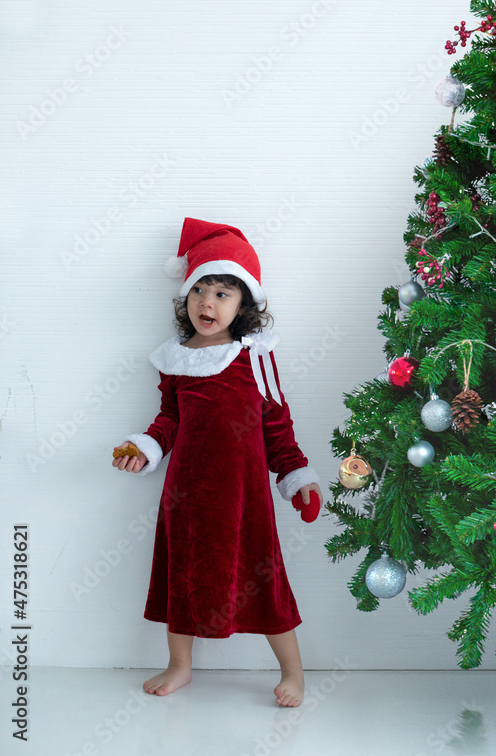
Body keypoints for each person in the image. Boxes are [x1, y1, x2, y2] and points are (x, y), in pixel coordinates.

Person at [112, 217, 322, 707]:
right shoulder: (175, 360)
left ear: (244, 303)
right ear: (186, 297)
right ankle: (179, 665)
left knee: (264, 575)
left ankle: (294, 671)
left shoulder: (254, 357)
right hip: (185, 493)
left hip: (242, 494)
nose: (208, 302)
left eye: (223, 292)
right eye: (200, 289)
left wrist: (297, 476)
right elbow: (169, 420)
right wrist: (143, 447)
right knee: (182, 573)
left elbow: (276, 425)